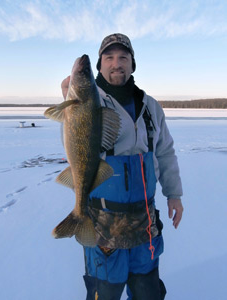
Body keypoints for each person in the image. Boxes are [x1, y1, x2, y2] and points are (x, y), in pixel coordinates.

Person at [61, 33, 183, 300]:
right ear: (100, 66)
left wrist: (173, 194)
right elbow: (75, 133)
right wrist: (68, 96)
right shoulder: (92, 101)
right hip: (103, 224)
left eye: (123, 57)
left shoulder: (151, 107)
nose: (117, 63)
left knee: (147, 291)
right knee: (105, 292)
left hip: (145, 222)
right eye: (109, 58)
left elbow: (165, 152)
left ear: (132, 64)